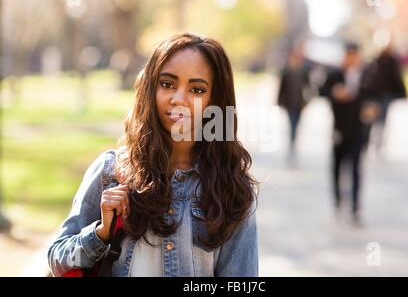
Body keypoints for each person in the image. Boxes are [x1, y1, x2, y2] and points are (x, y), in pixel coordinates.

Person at [48, 33, 259, 277]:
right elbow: (57, 261)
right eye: (167, 84)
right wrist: (101, 233)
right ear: (151, 88)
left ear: (215, 101)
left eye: (197, 89)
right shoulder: (111, 171)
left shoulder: (232, 189)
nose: (179, 99)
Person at [321, 42, 378, 226]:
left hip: (358, 130)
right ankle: (338, 201)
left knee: (355, 167)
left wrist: (372, 108)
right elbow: (321, 91)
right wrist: (334, 93)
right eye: (348, 55)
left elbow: (375, 97)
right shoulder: (335, 74)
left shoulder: (368, 75)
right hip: (339, 128)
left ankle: (355, 206)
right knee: (337, 166)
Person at [368, 45, 408, 155]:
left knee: (382, 120)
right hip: (376, 95)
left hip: (386, 95)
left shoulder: (392, 61)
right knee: (373, 119)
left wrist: (403, 92)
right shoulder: (375, 60)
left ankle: (379, 143)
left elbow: (397, 77)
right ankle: (371, 141)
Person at [277, 42, 311, 165]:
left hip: (300, 103)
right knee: (292, 125)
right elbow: (281, 87)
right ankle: (292, 147)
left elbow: (309, 86)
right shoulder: (286, 69)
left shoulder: (304, 69)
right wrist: (279, 101)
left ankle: (293, 144)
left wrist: (308, 100)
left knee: (296, 125)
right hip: (289, 103)